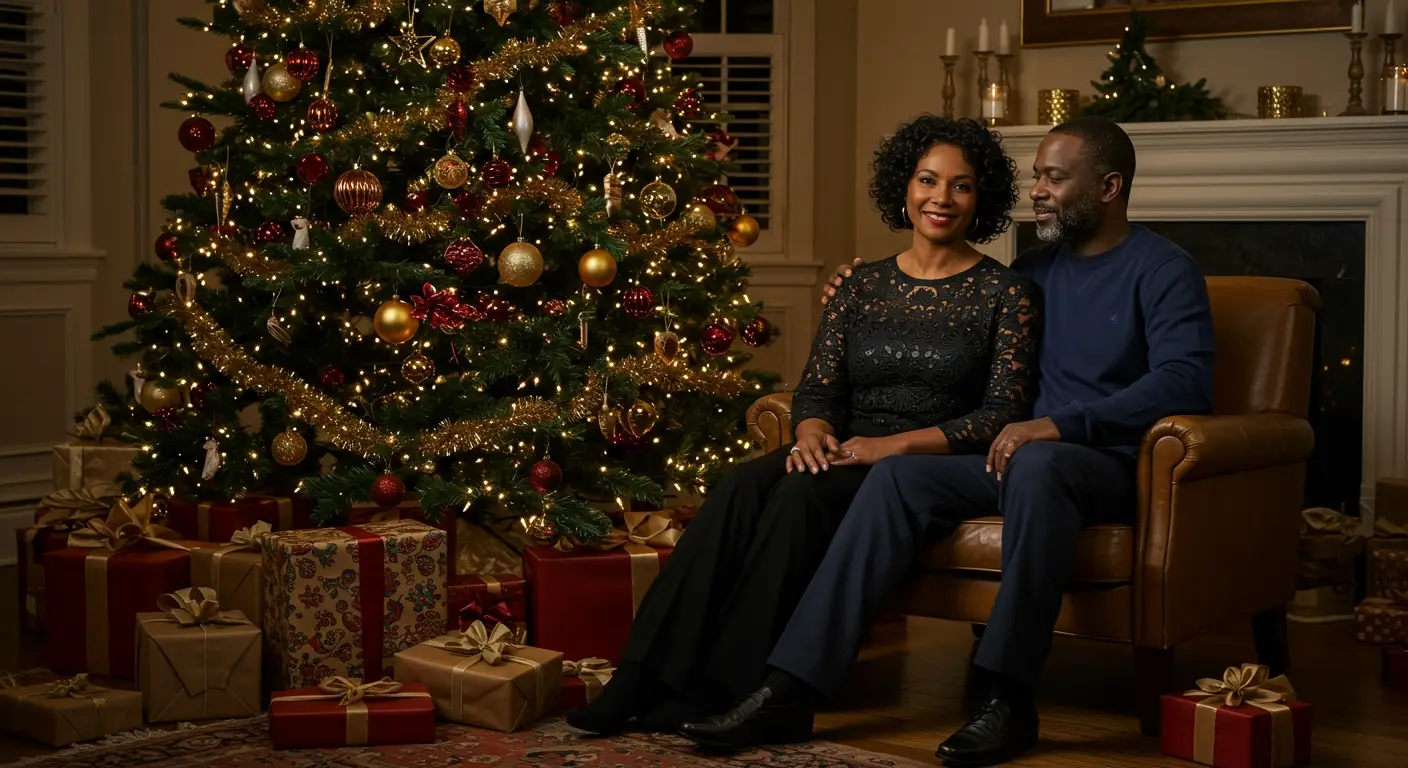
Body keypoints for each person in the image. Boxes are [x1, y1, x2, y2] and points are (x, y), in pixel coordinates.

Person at [678, 116, 1216, 766]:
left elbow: (1185, 382)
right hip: (1013, 457)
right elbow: (970, 327)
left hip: (1105, 464)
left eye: (1054, 178)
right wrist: (860, 290)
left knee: (1039, 466)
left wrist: (1057, 426)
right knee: (897, 476)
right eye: (1036, 176)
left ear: (1108, 187)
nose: (1037, 191)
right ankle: (793, 686)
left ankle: (1006, 696)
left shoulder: (1164, 269)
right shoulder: (1032, 272)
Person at [565, 115, 1039, 738]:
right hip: (845, 443)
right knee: (740, 485)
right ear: (904, 186)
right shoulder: (861, 284)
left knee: (799, 495)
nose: (941, 198)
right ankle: (639, 675)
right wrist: (812, 430)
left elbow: (1002, 413)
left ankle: (729, 689)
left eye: (961, 185)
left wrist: (888, 447)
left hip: (922, 459)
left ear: (981, 199)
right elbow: (818, 388)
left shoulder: (1006, 292)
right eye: (928, 180)